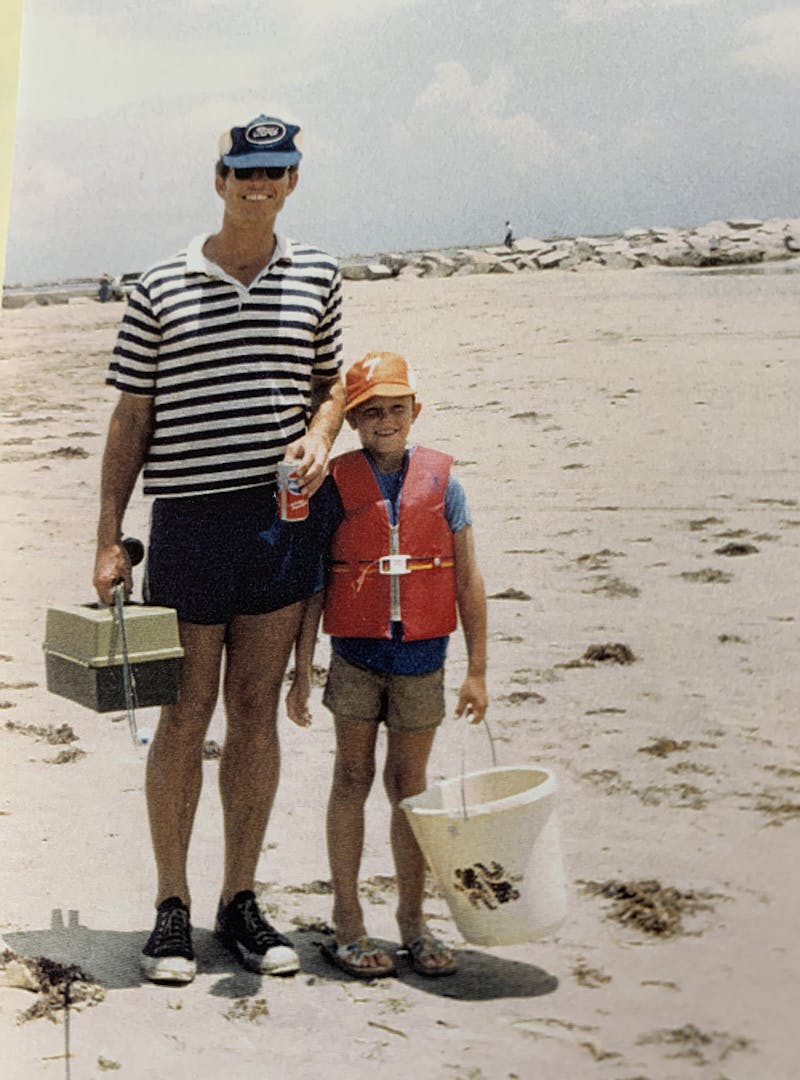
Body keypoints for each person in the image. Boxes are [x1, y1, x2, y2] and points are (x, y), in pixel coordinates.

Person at [92, 112, 345, 985]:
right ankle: (172, 906)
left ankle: (240, 900)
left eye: (274, 171)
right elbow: (131, 416)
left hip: (278, 521)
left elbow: (330, 385)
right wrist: (107, 537)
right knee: (184, 711)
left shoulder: (319, 274)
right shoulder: (159, 285)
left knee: (255, 709)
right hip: (190, 524)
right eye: (245, 171)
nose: (258, 185)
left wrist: (323, 433)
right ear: (220, 178)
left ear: (293, 180)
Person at [286, 352, 488, 978]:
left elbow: (469, 581)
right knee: (351, 777)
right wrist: (302, 670)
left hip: (423, 659)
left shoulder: (446, 485)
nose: (385, 421)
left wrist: (478, 671)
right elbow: (315, 585)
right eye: (370, 412)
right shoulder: (335, 485)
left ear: (415, 412)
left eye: (396, 409)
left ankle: (412, 920)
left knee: (410, 787)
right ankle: (347, 920)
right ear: (351, 420)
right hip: (355, 657)